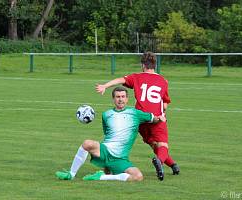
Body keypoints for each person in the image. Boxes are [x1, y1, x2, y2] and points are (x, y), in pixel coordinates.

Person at [95, 51, 180, 181]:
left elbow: (120, 80)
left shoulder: (137, 77)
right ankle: (160, 162)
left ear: (143, 65)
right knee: (163, 145)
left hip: (139, 118)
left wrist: (105, 86)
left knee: (154, 146)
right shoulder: (163, 81)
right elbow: (165, 104)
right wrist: (162, 112)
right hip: (156, 118)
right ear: (155, 65)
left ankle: (173, 165)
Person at [55, 86, 166, 181]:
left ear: (127, 99)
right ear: (113, 99)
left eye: (123, 97)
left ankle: (101, 177)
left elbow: (153, 119)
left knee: (138, 176)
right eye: (117, 97)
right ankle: (71, 174)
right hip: (105, 150)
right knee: (87, 143)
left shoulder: (135, 113)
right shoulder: (106, 115)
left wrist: (160, 118)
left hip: (120, 158)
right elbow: (107, 134)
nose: (120, 99)